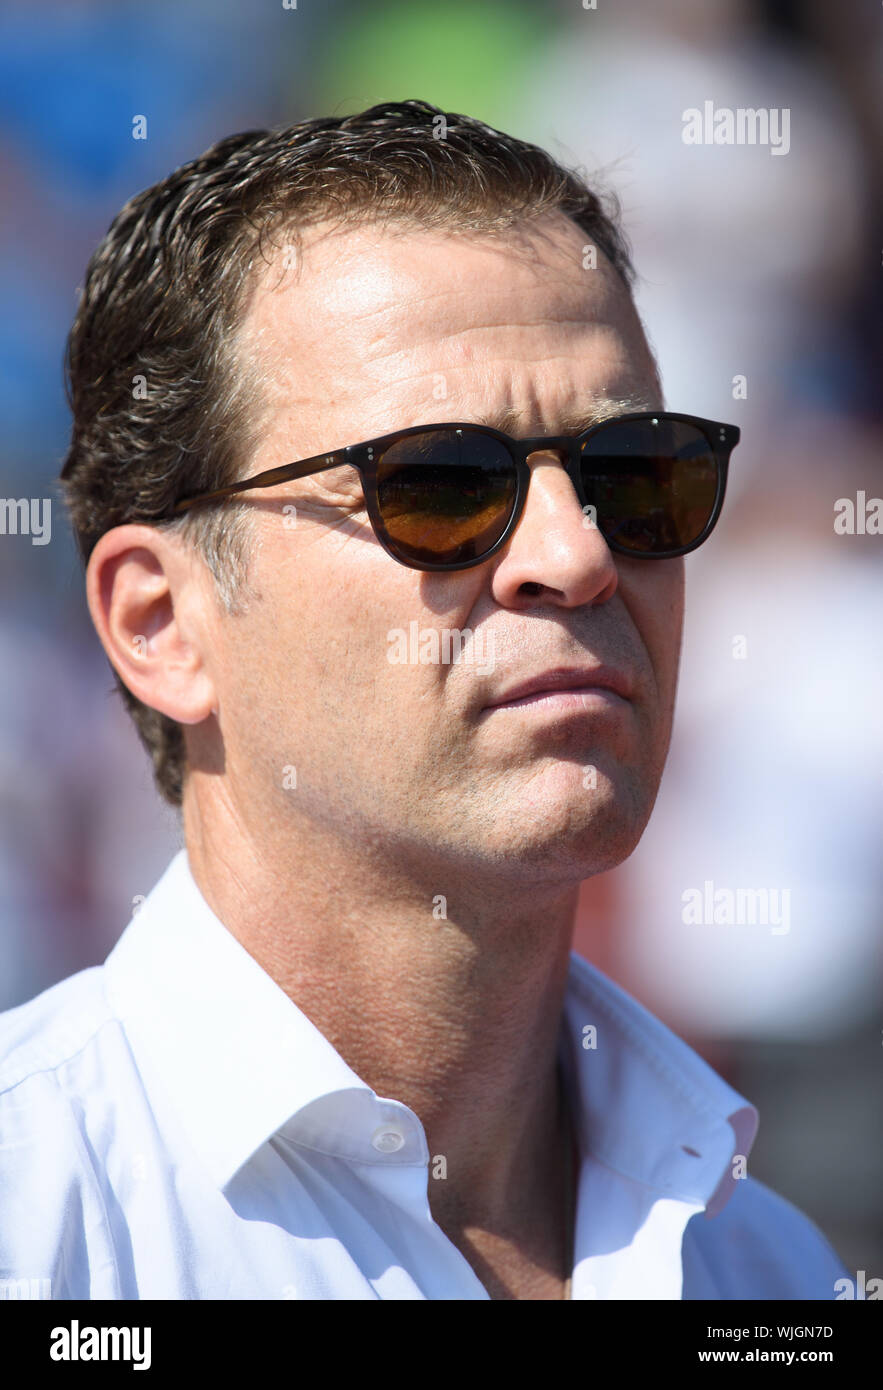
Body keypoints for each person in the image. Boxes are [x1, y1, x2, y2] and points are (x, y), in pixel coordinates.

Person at [0, 99, 847, 1300]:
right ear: (162, 622)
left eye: (636, 475)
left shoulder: (771, 1276)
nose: (575, 553)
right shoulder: (34, 1230)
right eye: (442, 483)